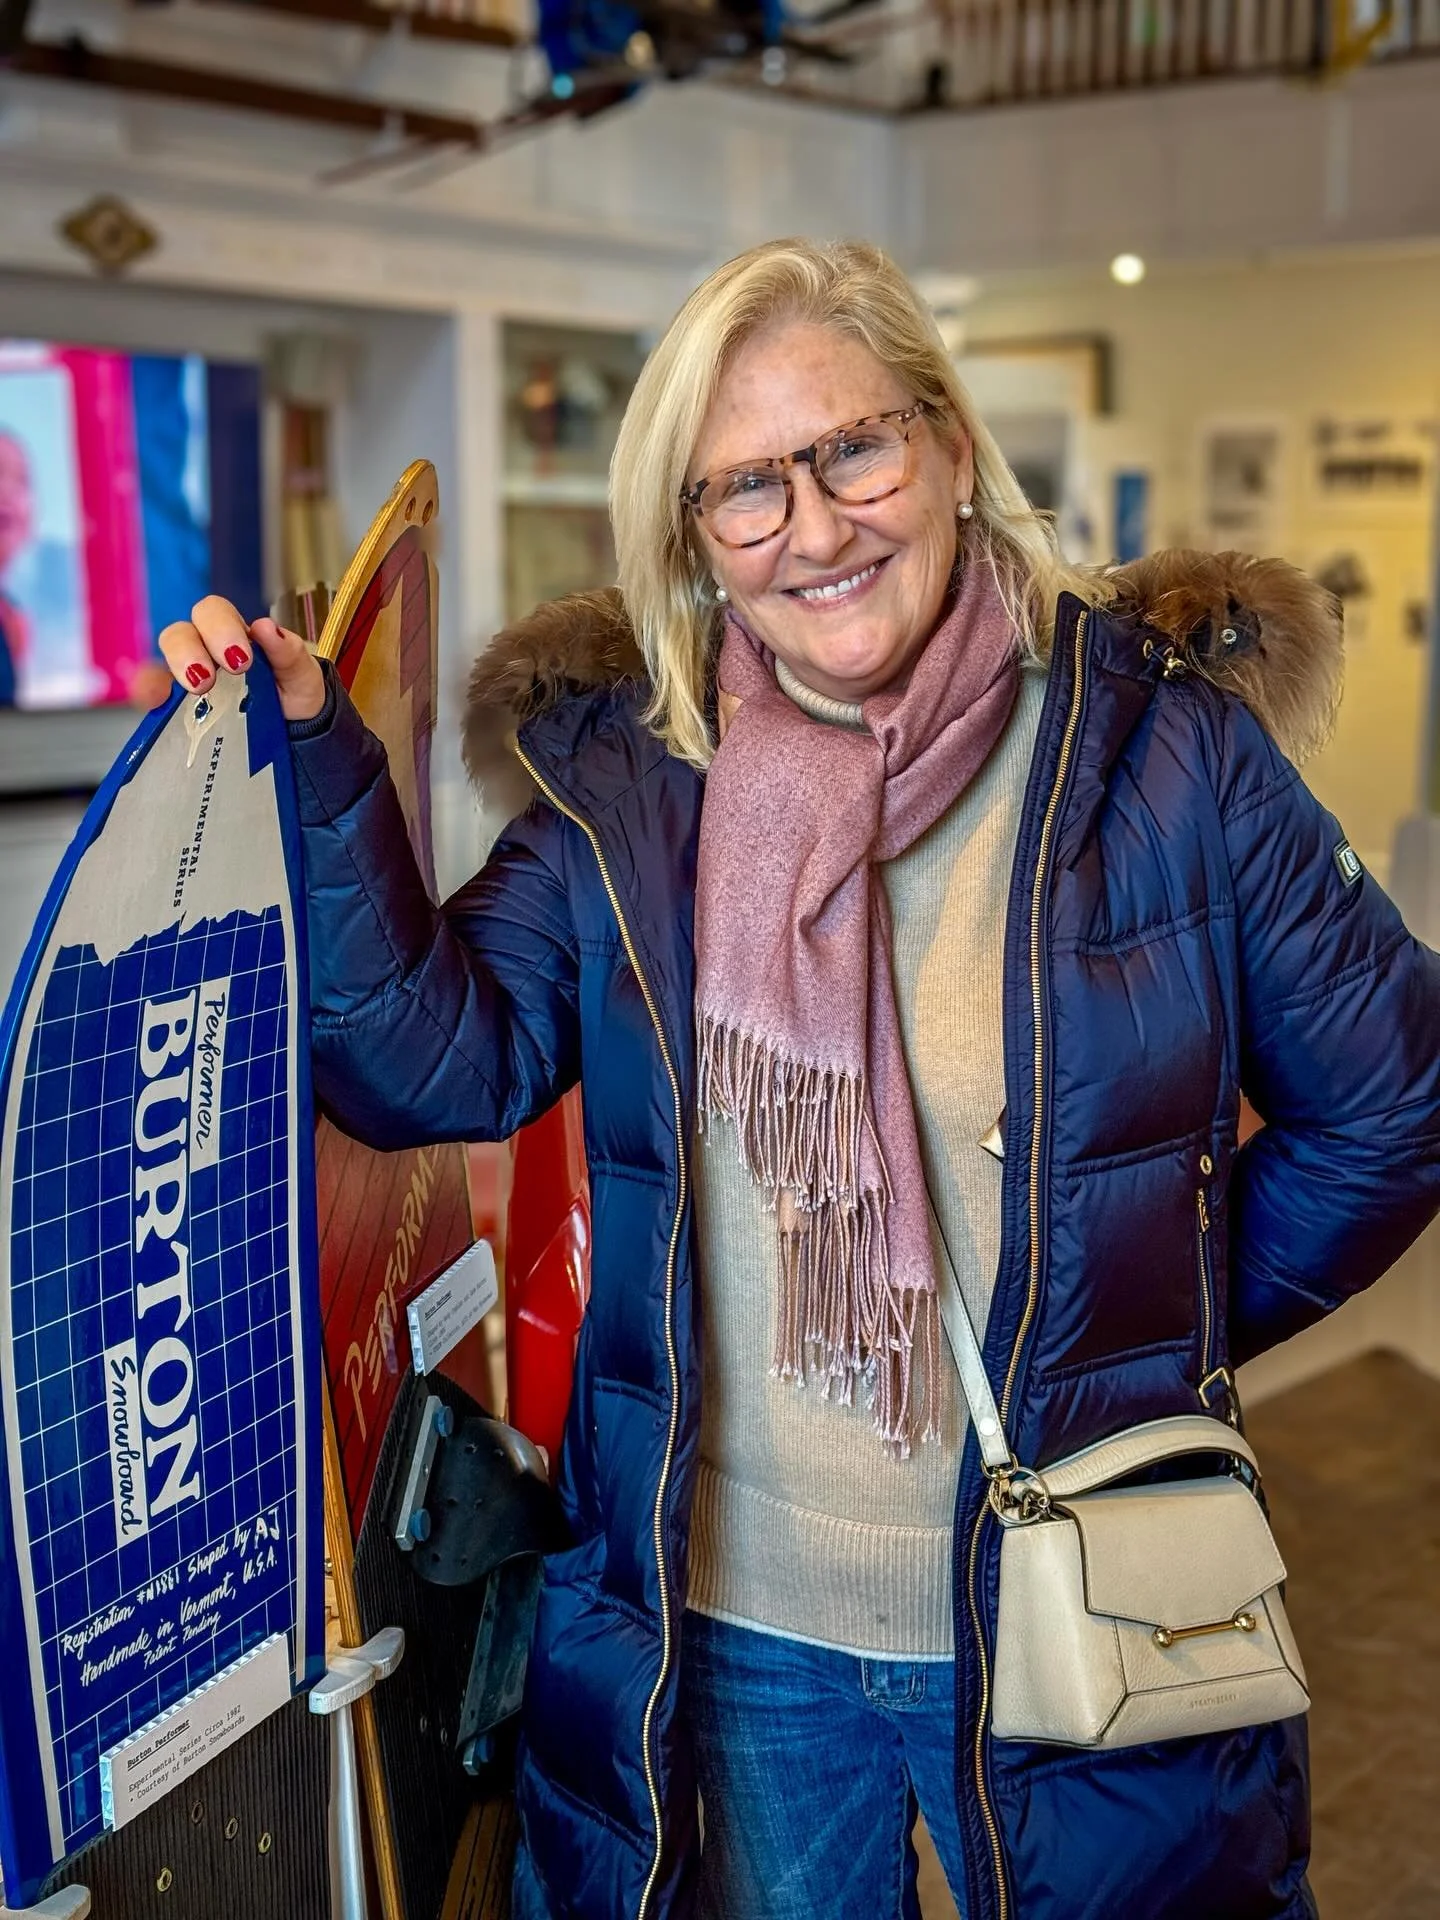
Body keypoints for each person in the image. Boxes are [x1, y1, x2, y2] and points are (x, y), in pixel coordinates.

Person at [158, 239, 1440, 1920]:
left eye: (854, 448)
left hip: (1083, 1593)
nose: (816, 529)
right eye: (744, 488)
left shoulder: (1165, 754)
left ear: (950, 445)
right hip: (741, 1631)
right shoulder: (641, 788)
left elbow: (1394, 1111)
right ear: (693, 538)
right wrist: (323, 758)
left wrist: (1138, 1335)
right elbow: (432, 1061)